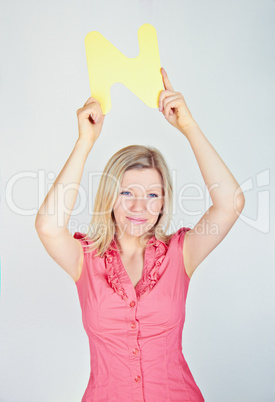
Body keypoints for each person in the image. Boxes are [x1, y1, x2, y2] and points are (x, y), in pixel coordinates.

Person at [35, 67, 245, 401]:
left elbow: (231, 202)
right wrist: (85, 141)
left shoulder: (181, 253)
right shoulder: (84, 259)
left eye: (151, 195)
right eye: (127, 192)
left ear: (163, 202)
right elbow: (47, 225)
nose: (139, 207)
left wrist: (188, 127)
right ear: (109, 196)